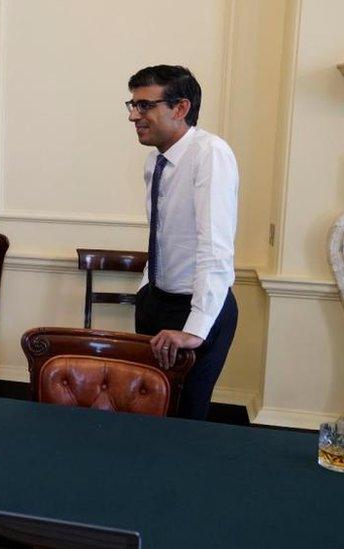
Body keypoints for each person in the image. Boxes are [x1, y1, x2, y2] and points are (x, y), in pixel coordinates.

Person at [126, 65, 239, 420]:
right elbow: (163, 236)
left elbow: (215, 248)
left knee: (185, 422)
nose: (133, 115)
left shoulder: (211, 154)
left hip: (197, 307)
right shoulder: (154, 161)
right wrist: (147, 290)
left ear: (180, 108)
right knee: (152, 411)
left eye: (144, 106)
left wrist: (194, 329)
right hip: (156, 302)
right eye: (131, 104)